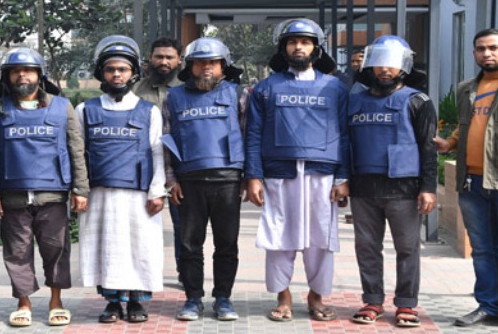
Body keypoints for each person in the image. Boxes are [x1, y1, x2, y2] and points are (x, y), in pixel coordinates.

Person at [245, 18, 350, 322]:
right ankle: (283, 296)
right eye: (292, 42)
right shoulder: (266, 88)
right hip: (279, 173)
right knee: (279, 237)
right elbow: (253, 134)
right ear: (284, 48)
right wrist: (253, 176)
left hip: (322, 174)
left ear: (317, 48)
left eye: (305, 42)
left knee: (320, 239)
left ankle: (317, 296)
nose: (298, 47)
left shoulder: (334, 87)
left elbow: (345, 134)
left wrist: (344, 177)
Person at [434, 29, 498, 333]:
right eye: (480, 49)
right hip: (472, 183)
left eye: (493, 48)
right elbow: (464, 128)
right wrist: (449, 144)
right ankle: (488, 307)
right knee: (482, 249)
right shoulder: (466, 89)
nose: (486, 53)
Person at [0, 47, 89, 327]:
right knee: (17, 252)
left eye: (28, 70)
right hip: (13, 196)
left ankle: (56, 301)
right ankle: (24, 303)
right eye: (16, 71)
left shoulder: (61, 107)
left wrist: (80, 189)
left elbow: (76, 149)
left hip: (52, 194)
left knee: (56, 249)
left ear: (40, 75)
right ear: (6, 77)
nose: (22, 75)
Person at [347, 36, 437, 327]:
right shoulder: (354, 100)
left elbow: (428, 148)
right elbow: (344, 143)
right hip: (363, 188)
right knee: (366, 248)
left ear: (404, 66)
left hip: (404, 189)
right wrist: (342, 180)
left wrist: (428, 188)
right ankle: (372, 300)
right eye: (379, 62)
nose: (385, 69)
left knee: (407, 248)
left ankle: (406, 304)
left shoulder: (417, 101)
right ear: (369, 65)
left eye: (392, 63)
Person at [75, 35, 166, 324]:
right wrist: (79, 191)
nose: (117, 74)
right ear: (101, 73)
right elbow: (77, 153)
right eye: (111, 69)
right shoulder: (85, 110)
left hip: (138, 194)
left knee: (139, 246)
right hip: (99, 194)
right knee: (106, 247)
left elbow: (157, 151)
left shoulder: (149, 111)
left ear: (133, 73)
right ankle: (112, 302)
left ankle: (137, 302)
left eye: (123, 69)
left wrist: (157, 191)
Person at [162, 37, 247, 322]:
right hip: (188, 181)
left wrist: (249, 177)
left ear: (224, 66)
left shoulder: (238, 94)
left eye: (213, 62)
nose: (206, 67)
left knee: (227, 244)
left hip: (228, 179)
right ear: (189, 67)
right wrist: (171, 179)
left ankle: (223, 298)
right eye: (199, 63)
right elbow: (165, 139)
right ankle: (193, 299)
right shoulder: (173, 97)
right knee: (189, 245)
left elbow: (249, 136)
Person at [134, 37, 183, 286]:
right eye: (159, 57)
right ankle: (139, 276)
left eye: (169, 57)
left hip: (179, 168)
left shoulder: (188, 89)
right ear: (150, 59)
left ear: (179, 60)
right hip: (144, 167)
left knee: (183, 225)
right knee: (140, 224)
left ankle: (185, 274)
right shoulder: (135, 90)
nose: (164, 62)